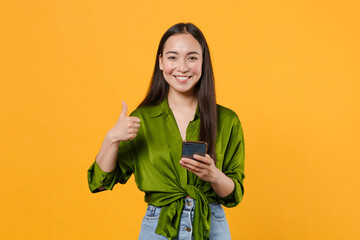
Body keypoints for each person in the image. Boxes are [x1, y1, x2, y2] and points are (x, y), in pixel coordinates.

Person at [87, 22, 245, 240]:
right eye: (172, 57)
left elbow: (234, 195)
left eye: (192, 57)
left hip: (211, 225)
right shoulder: (142, 120)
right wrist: (112, 138)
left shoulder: (228, 120)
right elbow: (101, 182)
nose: (182, 67)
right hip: (159, 228)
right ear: (160, 62)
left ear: (203, 62)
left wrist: (214, 175)